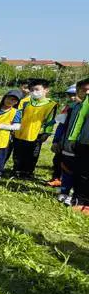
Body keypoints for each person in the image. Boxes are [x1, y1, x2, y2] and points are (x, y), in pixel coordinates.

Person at [12, 79, 57, 179]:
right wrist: (14, 128)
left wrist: (46, 133)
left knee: (32, 155)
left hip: (36, 135)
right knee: (18, 154)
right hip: (20, 132)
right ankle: (16, 170)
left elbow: (50, 120)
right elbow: (18, 115)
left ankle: (28, 172)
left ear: (46, 90)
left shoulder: (51, 104)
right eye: (32, 90)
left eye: (37, 89)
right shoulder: (24, 102)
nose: (34, 92)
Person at [54, 79, 89, 206]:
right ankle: (66, 192)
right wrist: (57, 141)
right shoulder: (72, 108)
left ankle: (76, 196)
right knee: (68, 169)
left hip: (84, 145)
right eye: (84, 90)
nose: (87, 92)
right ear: (78, 91)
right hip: (71, 145)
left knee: (81, 173)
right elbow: (62, 126)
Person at [48, 85, 78, 187]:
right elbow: (60, 123)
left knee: (69, 163)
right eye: (70, 95)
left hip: (74, 142)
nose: (72, 98)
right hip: (62, 139)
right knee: (57, 159)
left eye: (74, 95)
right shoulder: (68, 108)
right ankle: (56, 178)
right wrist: (55, 140)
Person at [66, 81, 89, 214]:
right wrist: (73, 139)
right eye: (85, 90)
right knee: (81, 173)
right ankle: (79, 200)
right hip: (84, 142)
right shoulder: (84, 103)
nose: (87, 92)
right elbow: (79, 120)